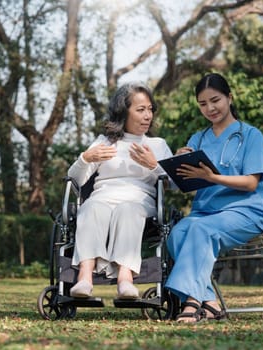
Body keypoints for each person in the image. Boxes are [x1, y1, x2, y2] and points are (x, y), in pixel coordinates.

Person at [165, 73, 263, 322]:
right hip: (206, 213)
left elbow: (251, 182)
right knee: (177, 234)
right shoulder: (198, 139)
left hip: (246, 212)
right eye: (203, 104)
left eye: (215, 100)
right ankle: (210, 302)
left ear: (229, 98)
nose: (210, 108)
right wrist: (180, 163)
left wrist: (213, 177)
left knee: (200, 230)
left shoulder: (251, 135)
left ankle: (191, 303)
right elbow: (187, 184)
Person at [68, 82, 173, 299]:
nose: (147, 116)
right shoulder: (105, 142)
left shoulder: (157, 144)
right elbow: (75, 180)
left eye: (150, 109)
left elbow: (173, 183)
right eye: (140, 109)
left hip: (140, 202)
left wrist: (154, 165)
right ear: (123, 112)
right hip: (103, 197)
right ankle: (84, 278)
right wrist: (85, 159)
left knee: (128, 210)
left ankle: (125, 278)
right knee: (90, 207)